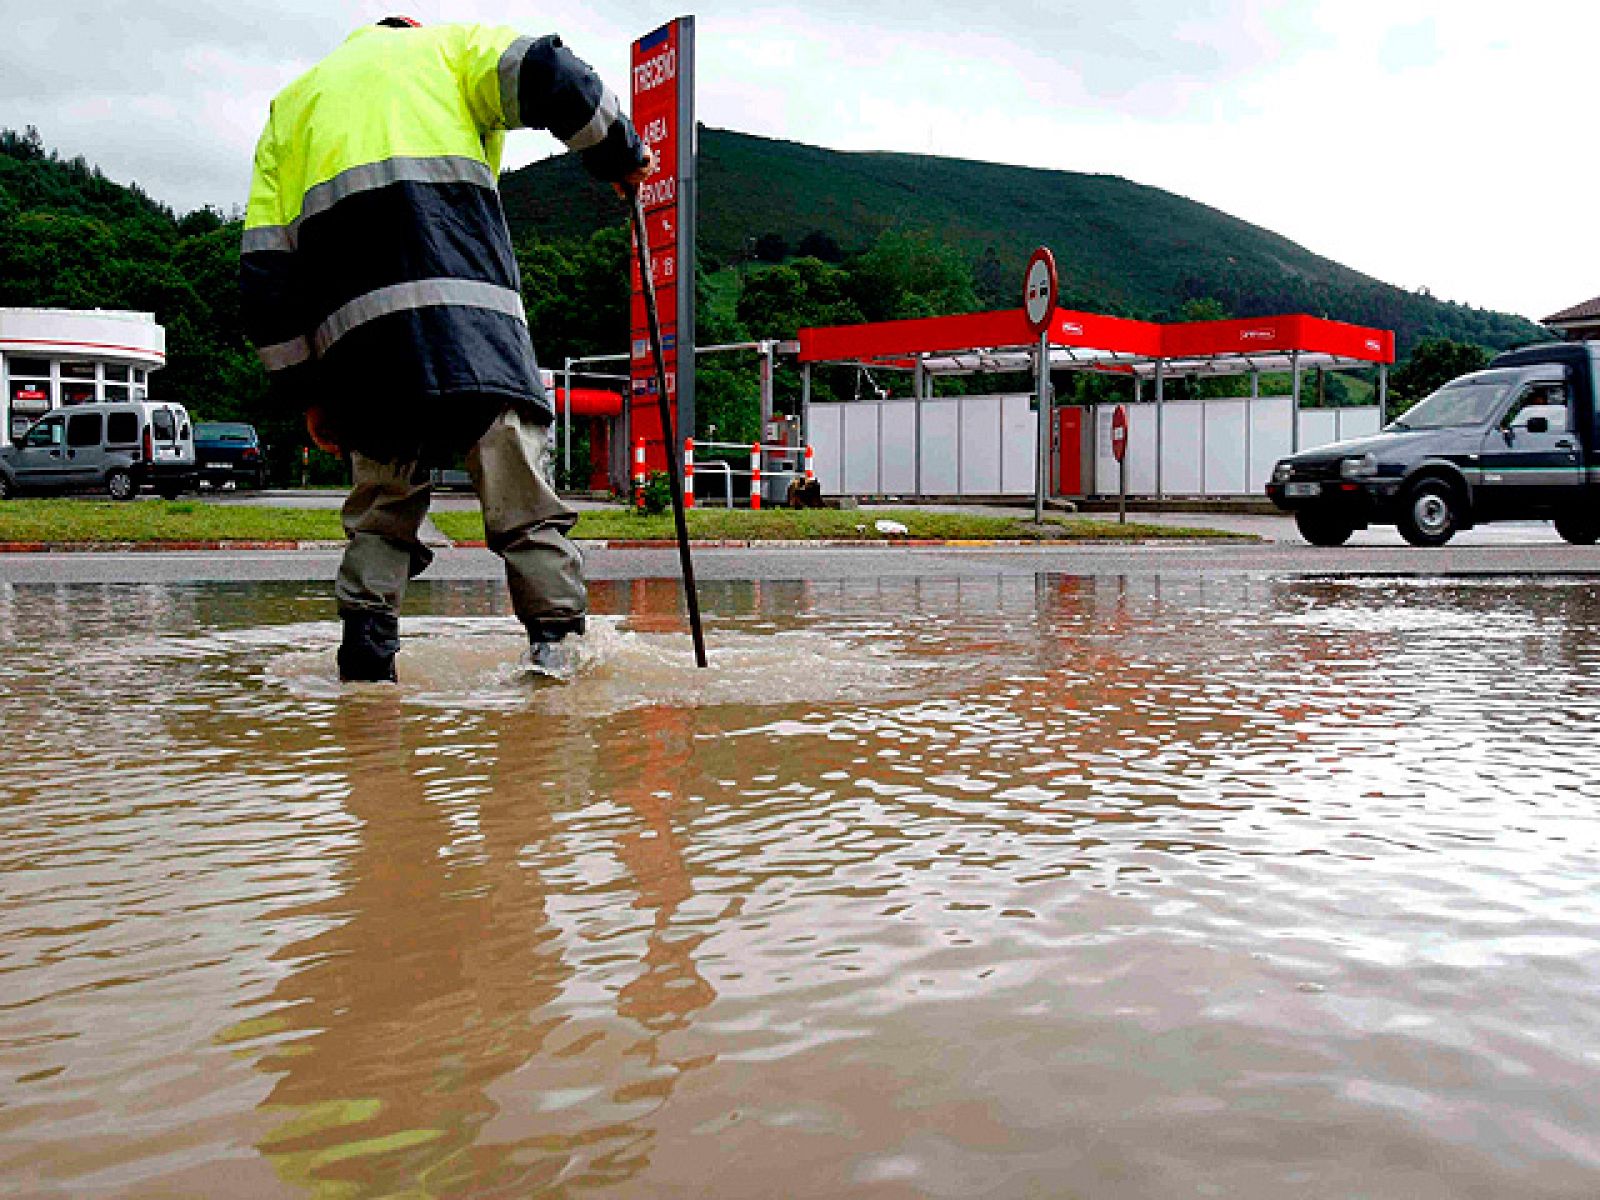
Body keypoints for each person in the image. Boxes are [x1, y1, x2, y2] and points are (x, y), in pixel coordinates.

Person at [241, 16, 654, 682]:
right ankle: (558, 662)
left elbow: (266, 272)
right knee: (521, 499)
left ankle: (367, 673)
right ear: (411, 27)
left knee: (381, 514)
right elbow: (553, 73)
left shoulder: (292, 108)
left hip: (363, 351)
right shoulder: (451, 51)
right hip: (473, 330)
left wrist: (308, 395)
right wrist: (620, 153)